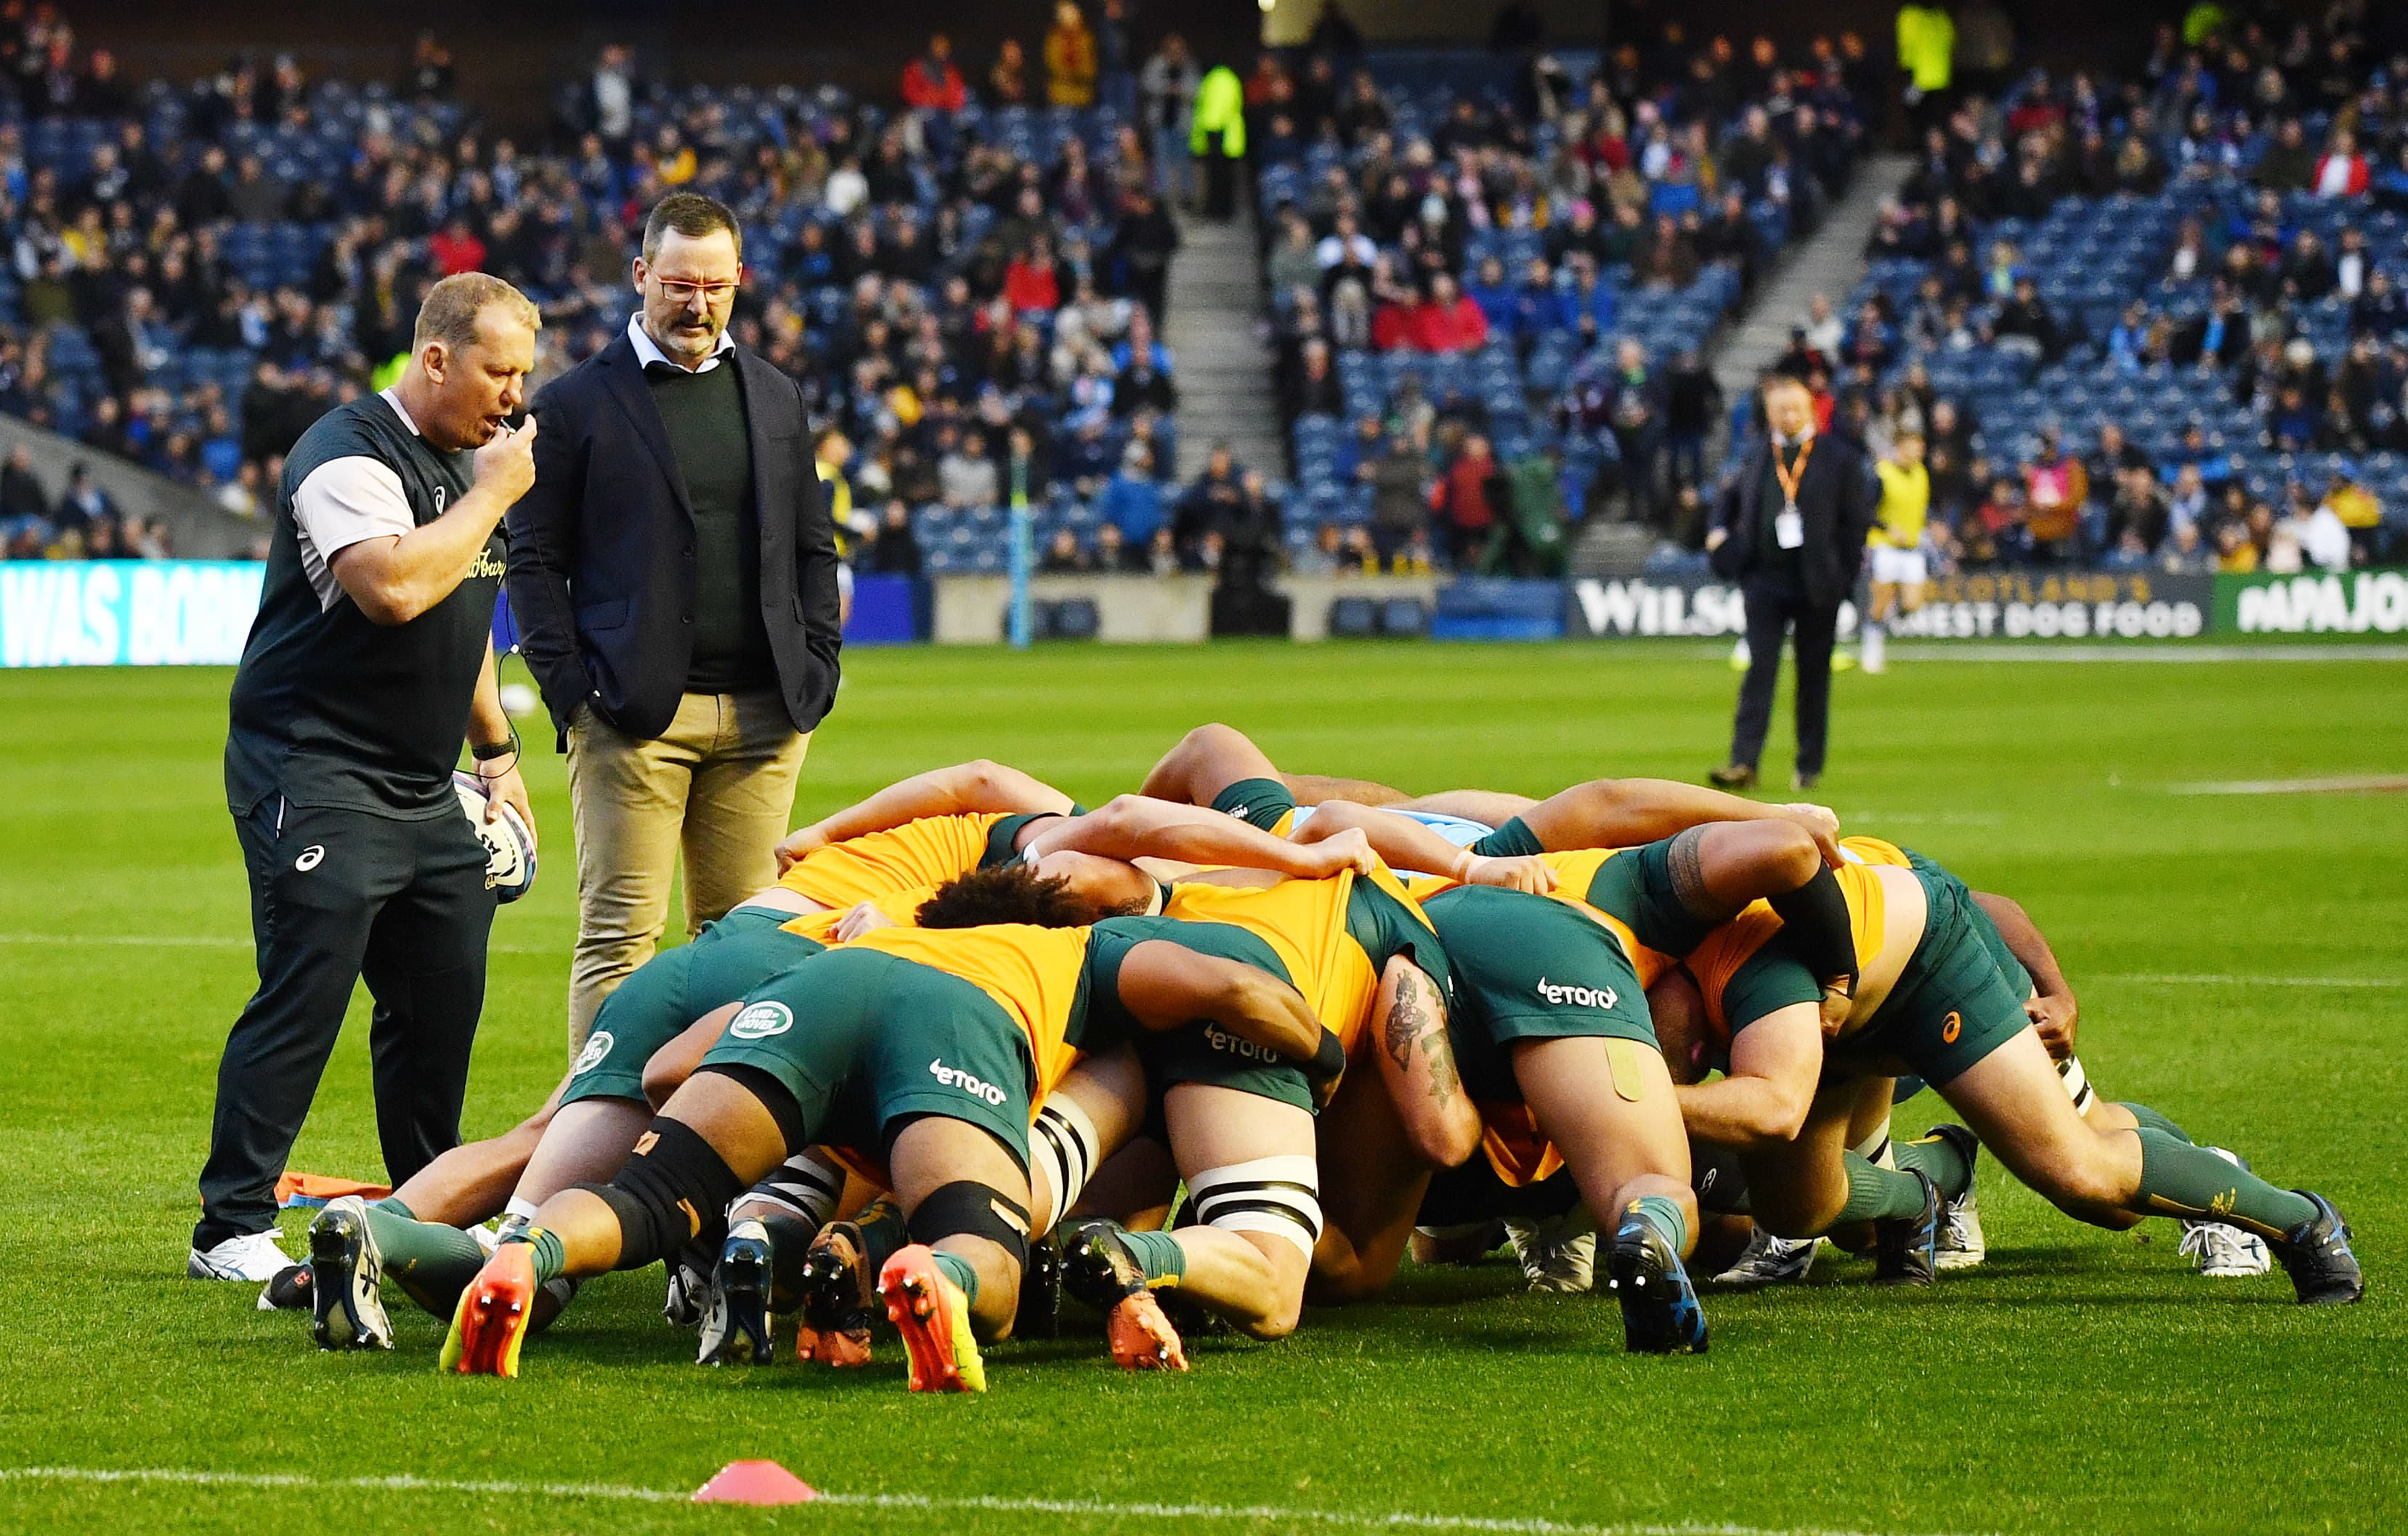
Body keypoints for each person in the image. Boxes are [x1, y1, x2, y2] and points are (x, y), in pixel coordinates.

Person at [192, 273, 543, 1283]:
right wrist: (490, 493)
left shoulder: (470, 466)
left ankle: (423, 1201)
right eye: (498, 370)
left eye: (523, 373)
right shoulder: (343, 454)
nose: (513, 397)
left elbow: (462, 608)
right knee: (308, 983)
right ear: (436, 359)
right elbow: (394, 586)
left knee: (442, 992)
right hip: (313, 760)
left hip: (420, 779)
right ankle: (229, 1225)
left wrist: (497, 754)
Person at [506, 193, 843, 1053]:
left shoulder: (775, 395)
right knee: (620, 940)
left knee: (744, 950)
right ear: (641, 277)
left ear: (741, 282)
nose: (697, 305)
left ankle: (714, 1150)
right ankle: (594, 1153)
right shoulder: (575, 403)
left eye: (716, 287)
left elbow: (812, 542)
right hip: (631, 718)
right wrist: (571, 694)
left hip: (767, 717)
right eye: (680, 285)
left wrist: (819, 662)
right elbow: (534, 560)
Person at [1707, 374, 1877, 792]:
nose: (1787, 415)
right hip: (1764, 580)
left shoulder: (1838, 457)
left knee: (1813, 675)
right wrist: (1718, 531)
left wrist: (1843, 576)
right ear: (1769, 414)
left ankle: (1808, 766)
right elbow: (1728, 500)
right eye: (1779, 409)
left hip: (1818, 583)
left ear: (1811, 411)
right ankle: (1743, 762)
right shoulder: (1755, 456)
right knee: (1758, 672)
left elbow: (1857, 522)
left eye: (1794, 408)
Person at [1861, 431, 1929, 675]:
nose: (1917, 453)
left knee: (1913, 603)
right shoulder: (1882, 475)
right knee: (1880, 602)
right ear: (1899, 448)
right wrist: (1888, 529)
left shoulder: (1921, 474)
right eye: (1913, 448)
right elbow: (1865, 512)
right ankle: (1872, 653)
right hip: (1885, 546)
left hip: (1912, 547)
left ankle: (1888, 619)